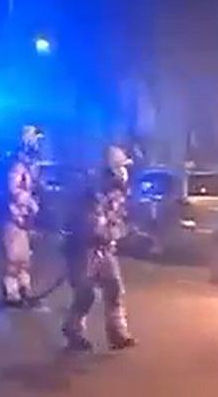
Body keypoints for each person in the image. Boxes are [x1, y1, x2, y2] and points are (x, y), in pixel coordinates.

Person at [62, 145, 137, 351]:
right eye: (121, 168)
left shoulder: (115, 193)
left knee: (114, 288)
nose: (125, 174)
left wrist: (123, 231)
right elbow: (91, 225)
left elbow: (118, 220)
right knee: (86, 293)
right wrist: (109, 232)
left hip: (103, 249)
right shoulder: (92, 195)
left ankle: (118, 333)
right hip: (83, 250)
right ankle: (73, 329)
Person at [0, 125, 44, 308]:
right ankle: (11, 293)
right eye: (34, 138)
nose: (37, 143)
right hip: (12, 216)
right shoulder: (16, 164)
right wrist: (28, 202)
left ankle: (24, 289)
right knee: (14, 257)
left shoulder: (29, 163)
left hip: (24, 217)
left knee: (25, 257)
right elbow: (14, 189)